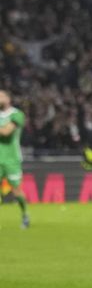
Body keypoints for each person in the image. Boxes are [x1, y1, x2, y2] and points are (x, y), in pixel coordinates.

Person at [0, 90, 30, 229]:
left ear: (8, 98)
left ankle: (24, 214)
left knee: (16, 191)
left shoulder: (17, 114)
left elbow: (6, 132)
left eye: (1, 96)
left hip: (12, 159)